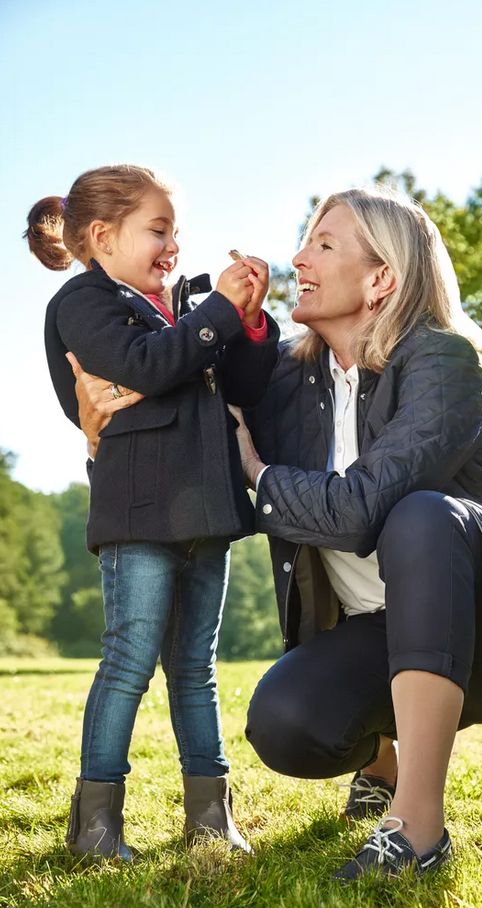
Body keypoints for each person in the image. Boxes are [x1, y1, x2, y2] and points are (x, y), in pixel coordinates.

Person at [72, 187, 482, 881]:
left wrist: (259, 473)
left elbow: (365, 506)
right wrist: (93, 413)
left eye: (323, 245)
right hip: (375, 629)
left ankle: (418, 827)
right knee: (286, 724)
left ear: (381, 280)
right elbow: (177, 399)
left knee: (419, 513)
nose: (297, 259)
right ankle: (381, 759)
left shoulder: (441, 360)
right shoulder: (285, 377)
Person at [25, 164, 279, 860]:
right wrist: (216, 317)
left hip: (206, 513)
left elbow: (247, 386)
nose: (173, 246)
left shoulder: (187, 310)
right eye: (158, 230)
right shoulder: (82, 305)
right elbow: (144, 365)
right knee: (128, 661)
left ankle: (210, 817)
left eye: (178, 233)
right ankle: (98, 823)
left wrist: (250, 324)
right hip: (137, 514)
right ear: (103, 237)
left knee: (194, 665)